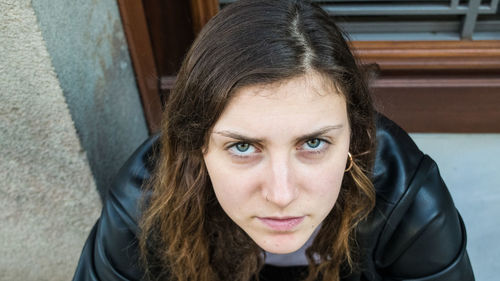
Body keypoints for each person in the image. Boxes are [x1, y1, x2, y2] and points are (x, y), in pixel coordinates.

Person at [72, 0, 474, 280]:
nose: (281, 194)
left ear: (353, 138)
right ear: (198, 145)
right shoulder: (145, 203)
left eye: (313, 143)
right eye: (243, 147)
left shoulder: (405, 198)